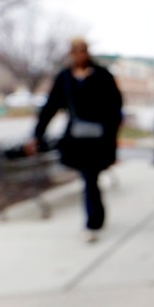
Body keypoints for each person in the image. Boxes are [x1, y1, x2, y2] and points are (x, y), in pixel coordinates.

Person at [27, 37, 123, 243]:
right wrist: (37, 134)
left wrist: (113, 139)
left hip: (100, 137)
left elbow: (115, 108)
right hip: (77, 138)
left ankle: (92, 220)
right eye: (77, 51)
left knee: (91, 177)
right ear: (72, 53)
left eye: (84, 50)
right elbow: (50, 107)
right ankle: (94, 216)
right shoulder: (64, 77)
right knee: (89, 177)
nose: (81, 55)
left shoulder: (103, 75)